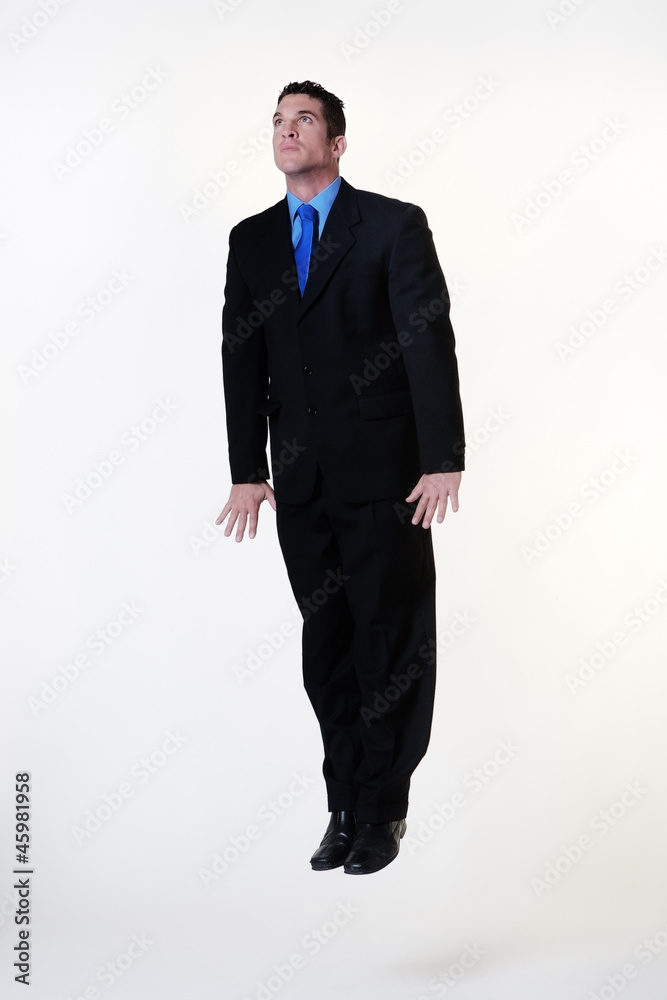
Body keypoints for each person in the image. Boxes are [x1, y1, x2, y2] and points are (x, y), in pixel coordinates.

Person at [216, 80, 465, 875]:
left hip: (388, 474)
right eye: (278, 121)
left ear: (337, 142)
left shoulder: (391, 225)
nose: (287, 131)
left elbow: (425, 339)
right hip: (301, 480)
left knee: (389, 639)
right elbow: (240, 358)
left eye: (305, 120)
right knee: (326, 644)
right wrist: (246, 470)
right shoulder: (252, 239)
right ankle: (344, 803)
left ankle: (383, 807)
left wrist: (442, 458)